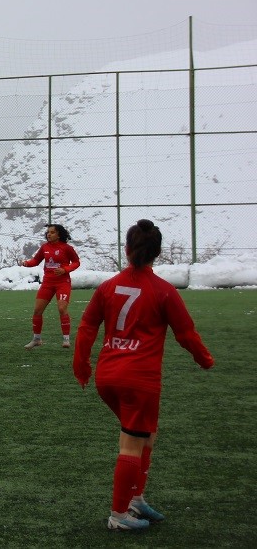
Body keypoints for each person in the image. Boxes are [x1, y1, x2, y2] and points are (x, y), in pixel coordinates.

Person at [74, 219, 214, 531]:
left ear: (126, 249)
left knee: (146, 434)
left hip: (108, 377)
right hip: (139, 381)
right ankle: (119, 515)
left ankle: (136, 498)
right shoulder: (163, 291)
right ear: (158, 253)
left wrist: (82, 365)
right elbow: (186, 333)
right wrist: (205, 360)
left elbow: (86, 327)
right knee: (132, 443)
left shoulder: (108, 287)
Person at [19, 223, 81, 349]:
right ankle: (37, 339)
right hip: (47, 283)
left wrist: (65, 270)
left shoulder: (67, 248)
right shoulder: (44, 247)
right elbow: (36, 260)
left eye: (52, 232)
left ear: (59, 235)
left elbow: (76, 262)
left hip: (62, 283)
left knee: (62, 309)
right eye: (48, 232)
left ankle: (66, 340)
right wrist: (26, 263)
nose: (49, 234)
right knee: (37, 310)